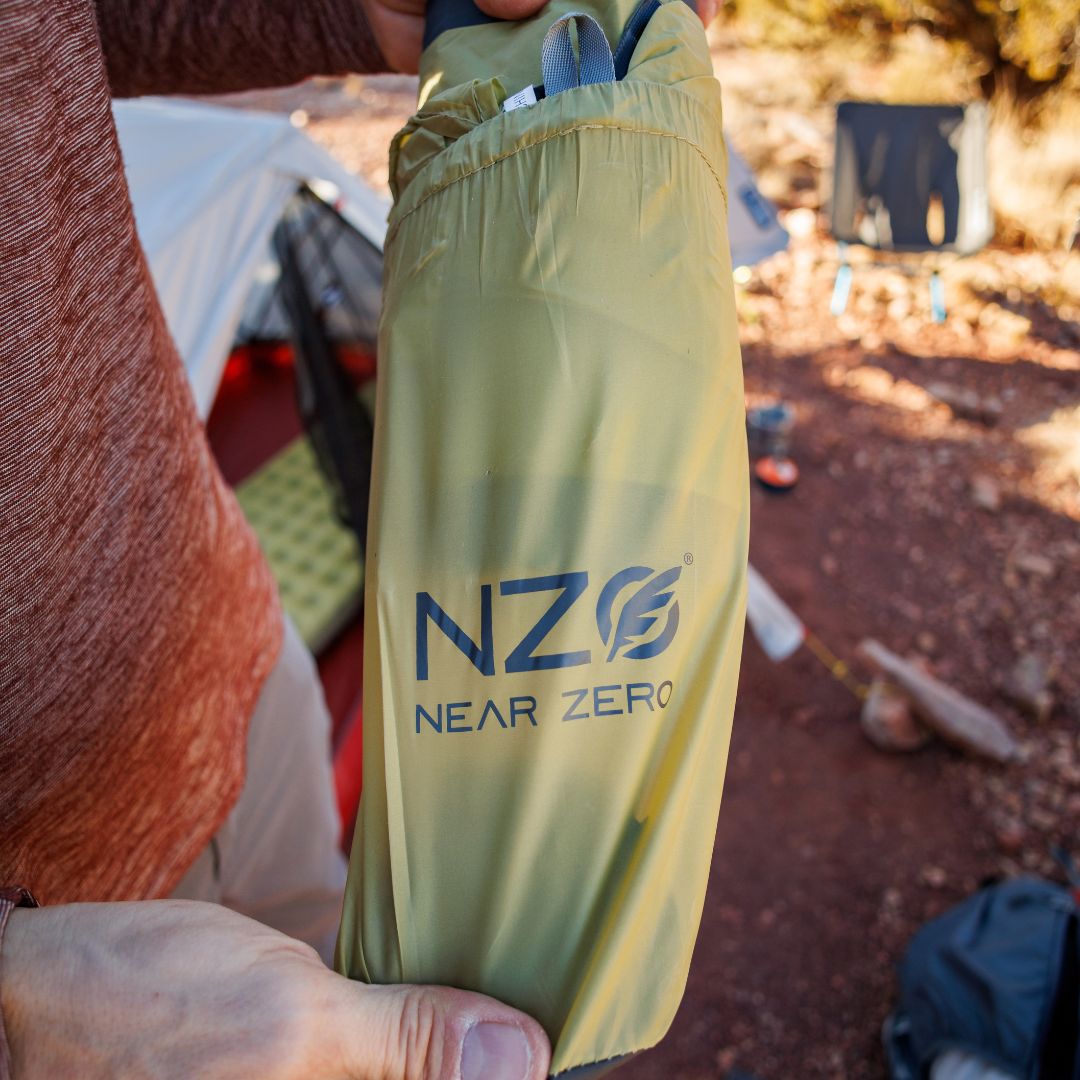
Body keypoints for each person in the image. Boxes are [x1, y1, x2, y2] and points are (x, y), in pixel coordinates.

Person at [0, 1, 554, 1077]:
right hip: (82, 956)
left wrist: (352, 10)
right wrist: (15, 1009)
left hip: (230, 647)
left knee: (345, 954)